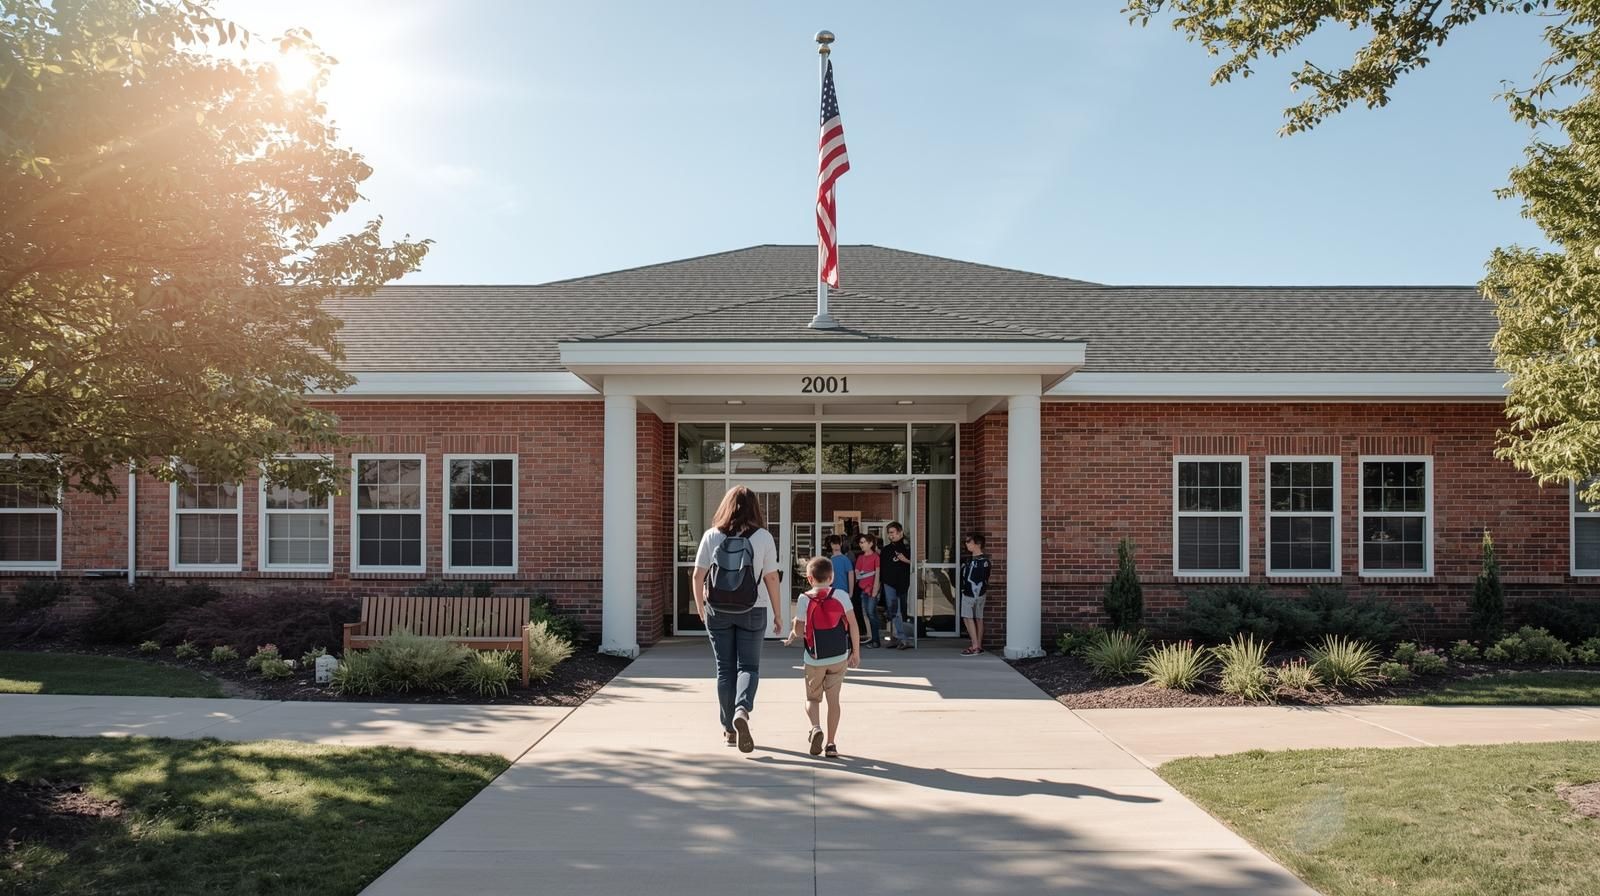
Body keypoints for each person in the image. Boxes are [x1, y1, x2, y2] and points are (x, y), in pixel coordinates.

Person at [692, 486, 783, 752]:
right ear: (755, 507)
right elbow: (772, 578)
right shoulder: (764, 537)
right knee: (749, 668)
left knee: (725, 669)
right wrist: (778, 614)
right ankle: (742, 710)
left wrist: (700, 607)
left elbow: (698, 575)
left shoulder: (711, 536)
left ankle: (729, 730)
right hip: (753, 609)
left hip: (717, 611)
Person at [783, 555, 861, 758]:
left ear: (809, 578)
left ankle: (816, 727)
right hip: (838, 656)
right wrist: (856, 652)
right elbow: (853, 624)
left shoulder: (804, 599)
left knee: (812, 698)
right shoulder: (841, 595)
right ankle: (832, 744)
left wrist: (793, 629)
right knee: (833, 701)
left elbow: (799, 632)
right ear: (832, 577)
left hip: (814, 658)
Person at [880, 522, 914, 650]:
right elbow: (882, 568)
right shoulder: (886, 550)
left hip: (903, 584)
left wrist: (905, 560)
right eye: (889, 533)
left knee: (901, 611)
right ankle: (899, 638)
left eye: (893, 532)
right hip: (889, 585)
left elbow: (916, 564)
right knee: (894, 611)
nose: (891, 535)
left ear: (900, 533)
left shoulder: (908, 548)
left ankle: (899, 637)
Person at [959, 533, 991, 656]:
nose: (966, 544)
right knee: (978, 618)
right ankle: (978, 645)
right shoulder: (978, 561)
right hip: (979, 592)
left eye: (969, 542)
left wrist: (970, 591)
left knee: (969, 617)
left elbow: (979, 578)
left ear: (977, 544)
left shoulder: (980, 562)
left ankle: (975, 645)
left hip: (972, 593)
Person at [852, 532, 881, 647]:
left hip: (872, 589)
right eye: (860, 542)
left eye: (863, 542)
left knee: (871, 613)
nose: (861, 544)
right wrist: (869, 573)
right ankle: (870, 637)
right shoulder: (860, 557)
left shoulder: (876, 557)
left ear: (870, 543)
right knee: (865, 613)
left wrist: (875, 588)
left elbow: (878, 573)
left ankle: (876, 639)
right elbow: (857, 574)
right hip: (863, 589)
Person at [825, 534, 855, 617]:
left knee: (843, 615)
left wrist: (851, 592)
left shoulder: (845, 559)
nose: (836, 545)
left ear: (841, 543)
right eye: (834, 543)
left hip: (843, 590)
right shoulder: (829, 560)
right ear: (831, 545)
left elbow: (851, 575)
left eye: (837, 543)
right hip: (831, 591)